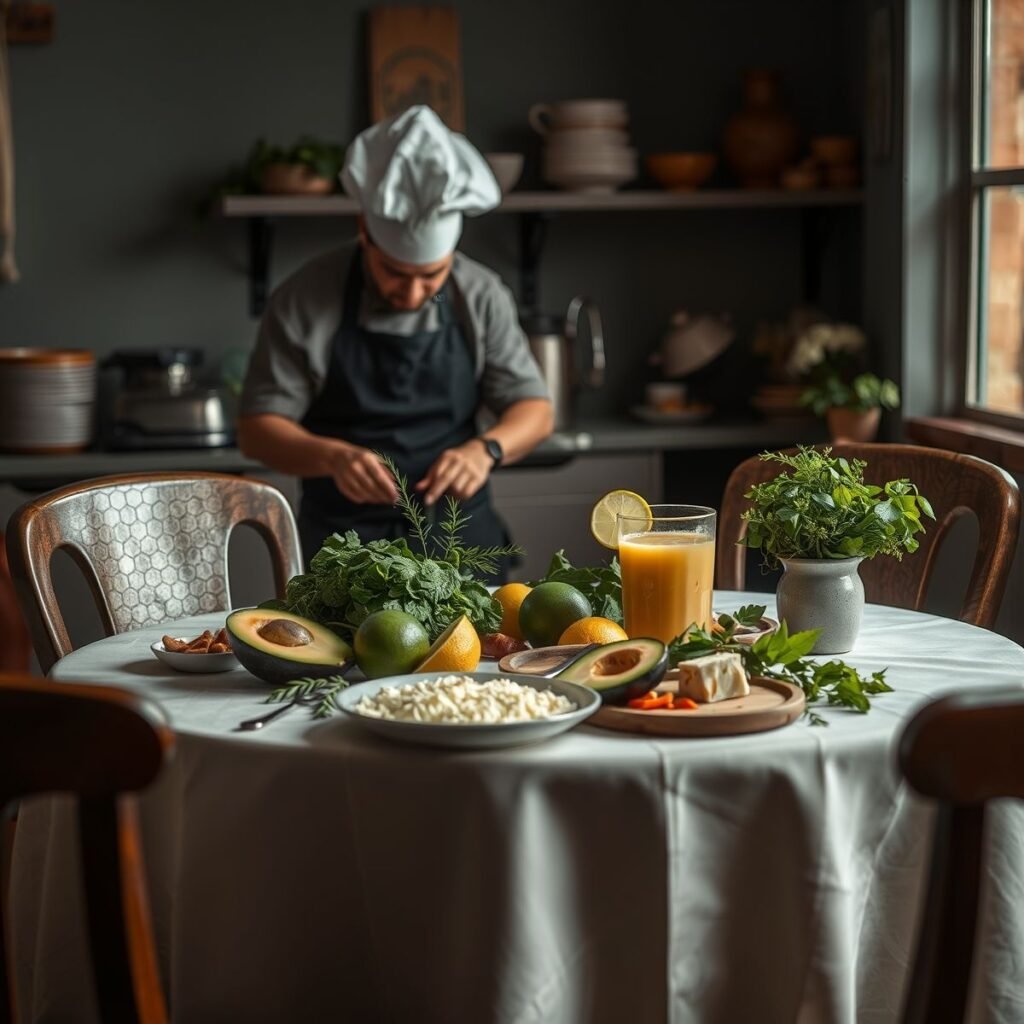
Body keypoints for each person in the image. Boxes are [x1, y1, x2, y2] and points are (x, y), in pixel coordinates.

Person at [237, 105, 553, 580]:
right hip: (344, 553)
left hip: (461, 545)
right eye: (395, 272)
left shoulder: (481, 293)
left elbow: (535, 409)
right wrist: (332, 456)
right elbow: (257, 428)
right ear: (365, 231)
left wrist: (484, 450)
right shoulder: (305, 296)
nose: (411, 293)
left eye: (431, 276)